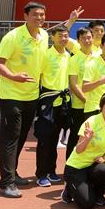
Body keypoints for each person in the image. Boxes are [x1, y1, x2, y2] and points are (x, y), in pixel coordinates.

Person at [0, 1, 50, 198]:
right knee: (10, 138)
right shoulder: (13, 37)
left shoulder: (44, 36)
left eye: (42, 14)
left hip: (32, 95)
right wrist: (13, 76)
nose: (39, 18)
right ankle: (6, 182)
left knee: (21, 136)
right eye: (35, 14)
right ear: (25, 16)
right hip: (11, 95)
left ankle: (12, 173)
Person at [61, 93, 105, 209]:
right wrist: (87, 139)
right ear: (101, 107)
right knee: (87, 204)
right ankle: (68, 188)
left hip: (93, 166)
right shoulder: (91, 122)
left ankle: (98, 195)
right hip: (76, 167)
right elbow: (78, 150)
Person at [35, 25, 72, 187]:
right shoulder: (45, 55)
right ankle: (41, 174)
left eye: (66, 36)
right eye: (60, 36)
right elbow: (37, 77)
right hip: (48, 102)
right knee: (44, 139)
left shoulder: (68, 55)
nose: (64, 39)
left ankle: (51, 170)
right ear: (53, 37)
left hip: (62, 103)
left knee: (55, 138)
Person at [67, 27, 95, 158]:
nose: (87, 40)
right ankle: (69, 165)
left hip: (95, 105)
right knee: (76, 136)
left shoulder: (98, 56)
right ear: (78, 40)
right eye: (83, 38)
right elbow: (73, 84)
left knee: (92, 138)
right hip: (79, 106)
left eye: (89, 37)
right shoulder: (74, 59)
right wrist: (85, 100)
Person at [81, 33, 105, 119]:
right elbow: (84, 88)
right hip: (94, 109)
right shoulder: (92, 64)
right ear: (101, 46)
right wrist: (100, 81)